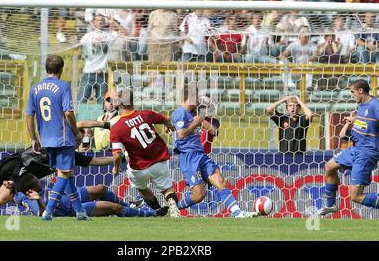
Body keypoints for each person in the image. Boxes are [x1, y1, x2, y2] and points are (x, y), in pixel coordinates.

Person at [170, 85, 258, 218]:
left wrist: (201, 119)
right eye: (197, 97)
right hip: (188, 157)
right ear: (191, 97)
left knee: (221, 182)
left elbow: (213, 131)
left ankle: (237, 212)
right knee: (199, 195)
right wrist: (196, 121)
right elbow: (181, 134)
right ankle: (173, 208)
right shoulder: (180, 113)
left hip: (200, 155)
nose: (199, 100)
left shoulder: (192, 115)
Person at [0, 146, 111, 214]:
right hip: (13, 166)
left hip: (23, 179)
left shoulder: (71, 156)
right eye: (77, 136)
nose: (78, 141)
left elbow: (94, 161)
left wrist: (120, 158)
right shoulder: (51, 146)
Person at [26, 54, 87, 221]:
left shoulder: (35, 88)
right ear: (62, 69)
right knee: (64, 174)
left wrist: (34, 138)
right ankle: (48, 212)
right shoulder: (63, 87)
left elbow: (29, 116)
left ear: (47, 69)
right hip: (63, 137)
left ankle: (80, 212)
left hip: (46, 138)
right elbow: (68, 112)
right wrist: (76, 133)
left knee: (66, 174)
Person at [110, 88, 181, 218]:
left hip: (138, 167)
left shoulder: (116, 127)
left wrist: (116, 167)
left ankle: (159, 210)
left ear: (119, 103)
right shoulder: (146, 114)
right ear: (133, 101)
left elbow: (117, 155)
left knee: (141, 187)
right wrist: (169, 127)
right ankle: (173, 206)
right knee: (167, 189)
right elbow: (166, 118)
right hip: (158, 159)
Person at [319, 80, 379, 216]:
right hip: (355, 149)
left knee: (355, 196)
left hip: (366, 153)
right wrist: (355, 119)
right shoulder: (362, 106)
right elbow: (366, 119)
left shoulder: (375, 105)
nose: (351, 95)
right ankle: (331, 205)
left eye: (353, 92)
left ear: (361, 91)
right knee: (329, 167)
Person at [14, 173, 157, 218]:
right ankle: (149, 215)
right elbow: (40, 213)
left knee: (101, 188)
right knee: (115, 207)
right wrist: (38, 201)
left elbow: (15, 196)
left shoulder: (24, 194)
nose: (39, 180)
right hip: (74, 209)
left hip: (73, 196)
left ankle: (130, 206)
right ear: (32, 188)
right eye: (36, 181)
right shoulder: (32, 199)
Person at [77, 14, 117, 104]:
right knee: (81, 100)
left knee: (102, 102)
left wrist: (112, 22)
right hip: (88, 73)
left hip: (102, 74)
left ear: (104, 23)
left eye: (102, 20)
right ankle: (79, 118)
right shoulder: (88, 36)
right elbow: (79, 46)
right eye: (97, 20)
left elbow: (120, 33)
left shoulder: (108, 36)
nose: (99, 22)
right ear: (94, 22)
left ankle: (100, 118)